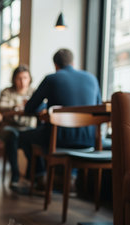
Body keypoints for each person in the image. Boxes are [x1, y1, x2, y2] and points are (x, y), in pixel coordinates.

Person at [16, 48, 102, 192]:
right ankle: (70, 179)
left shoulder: (51, 78)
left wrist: (44, 106)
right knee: (61, 137)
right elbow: (97, 108)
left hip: (59, 139)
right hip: (89, 140)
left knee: (23, 136)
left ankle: (41, 177)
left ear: (55, 65)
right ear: (73, 63)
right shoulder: (91, 78)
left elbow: (30, 108)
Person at [0, 65, 36, 187]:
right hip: (10, 127)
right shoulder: (7, 92)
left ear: (30, 78)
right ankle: (15, 175)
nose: (22, 81)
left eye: (25, 78)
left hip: (28, 128)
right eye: (19, 78)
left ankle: (31, 175)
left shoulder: (34, 92)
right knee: (12, 135)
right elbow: (2, 109)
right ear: (14, 79)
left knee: (34, 137)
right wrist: (16, 107)